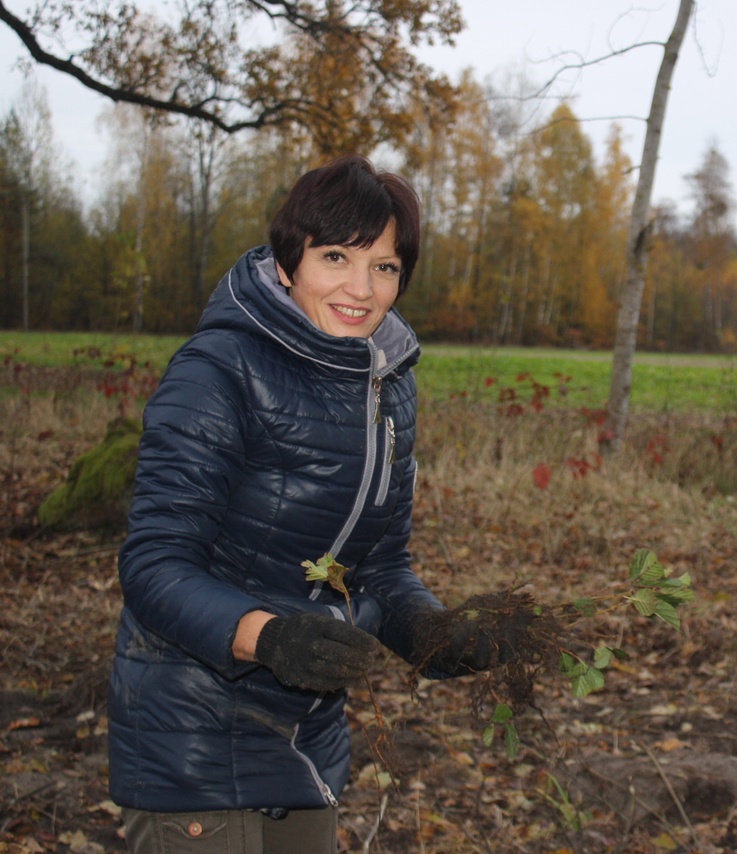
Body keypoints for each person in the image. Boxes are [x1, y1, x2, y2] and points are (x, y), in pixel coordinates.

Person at [108, 155, 515, 853]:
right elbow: (153, 564)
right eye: (336, 257)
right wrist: (268, 637)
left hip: (306, 744)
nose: (361, 289)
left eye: (384, 267)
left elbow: (380, 563)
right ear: (289, 260)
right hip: (196, 741)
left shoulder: (386, 383)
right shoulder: (219, 371)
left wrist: (430, 634)